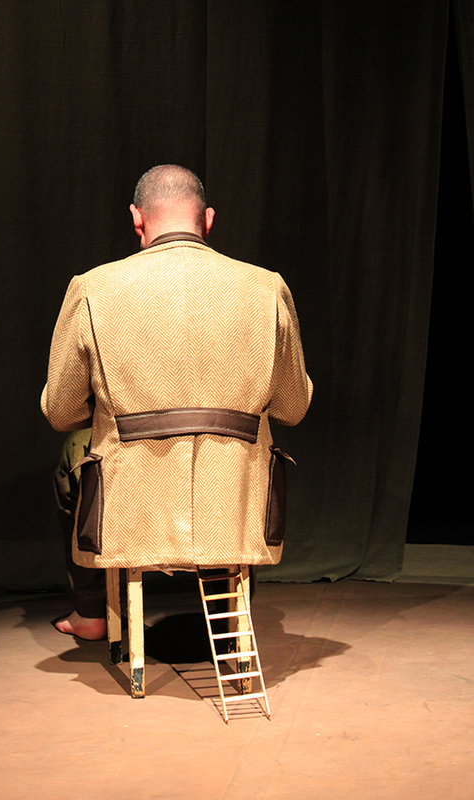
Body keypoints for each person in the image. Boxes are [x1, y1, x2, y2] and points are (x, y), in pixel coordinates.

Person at [41, 165, 313, 639]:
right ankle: (230, 617)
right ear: (207, 220)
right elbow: (294, 407)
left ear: (137, 218)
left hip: (132, 498)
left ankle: (92, 612)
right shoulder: (267, 287)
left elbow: (61, 411)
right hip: (230, 500)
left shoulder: (91, 289)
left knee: (72, 452)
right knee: (243, 456)